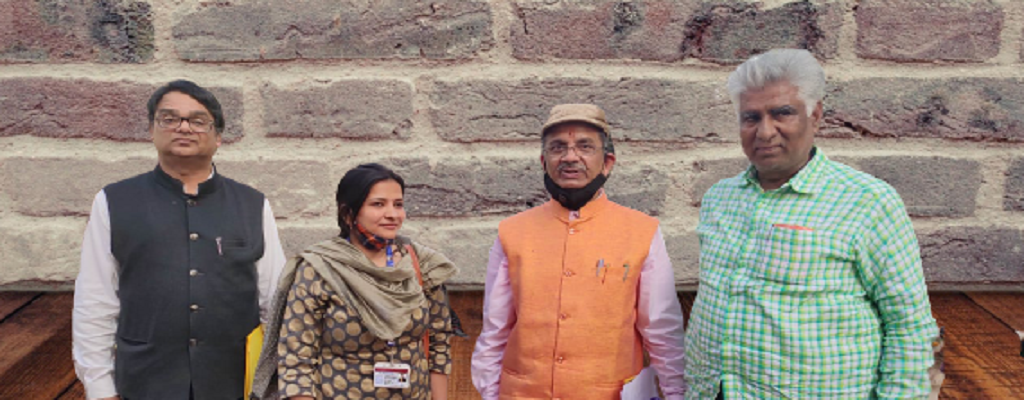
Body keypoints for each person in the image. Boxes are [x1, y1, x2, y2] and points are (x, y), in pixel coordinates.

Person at [686, 49, 939, 399]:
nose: (765, 131)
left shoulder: (868, 202)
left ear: (815, 115)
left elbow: (910, 328)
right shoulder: (720, 198)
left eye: (782, 113)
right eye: (750, 117)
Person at [72, 79, 287, 400]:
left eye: (198, 121)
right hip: (144, 382)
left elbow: (275, 302)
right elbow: (95, 300)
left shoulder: (252, 204)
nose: (183, 127)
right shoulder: (114, 201)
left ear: (218, 137)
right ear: (151, 130)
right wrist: (100, 388)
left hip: (233, 382)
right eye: (169, 118)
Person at [471, 104, 688, 399]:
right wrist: (490, 394)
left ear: (607, 162)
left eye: (585, 146)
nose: (570, 157)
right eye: (558, 147)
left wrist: (675, 394)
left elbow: (661, 329)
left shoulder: (642, 231)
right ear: (544, 161)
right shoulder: (512, 231)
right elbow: (494, 330)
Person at [250, 163, 459, 400]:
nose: (393, 214)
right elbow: (297, 360)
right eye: (378, 204)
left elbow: (439, 346)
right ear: (348, 214)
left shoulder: (421, 265)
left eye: (398, 204)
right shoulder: (320, 269)